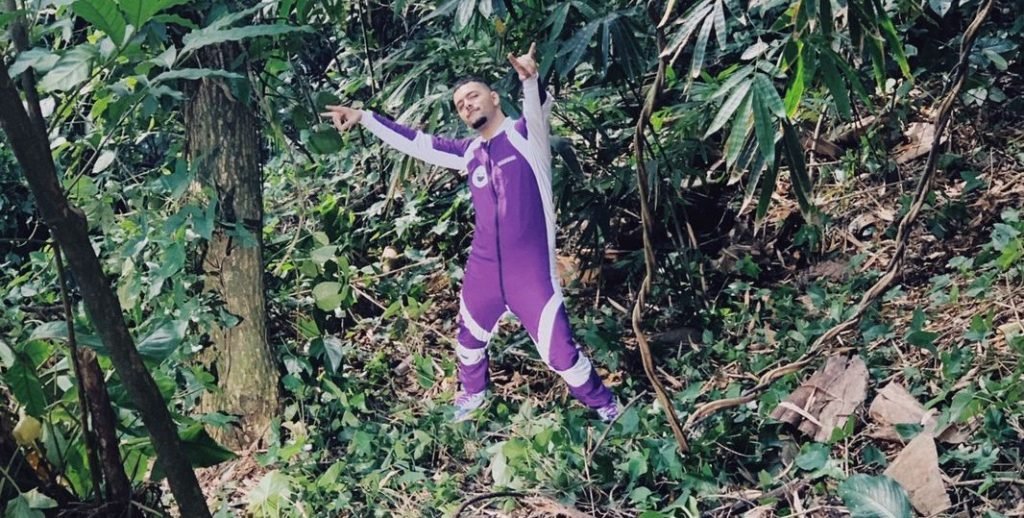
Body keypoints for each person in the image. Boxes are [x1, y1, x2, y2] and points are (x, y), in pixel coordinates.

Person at [321, 43, 619, 423]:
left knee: (560, 354)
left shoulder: (527, 137)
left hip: (530, 273)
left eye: (473, 96)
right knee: (468, 341)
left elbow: (538, 109)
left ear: (494, 98)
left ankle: (604, 404)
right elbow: (416, 143)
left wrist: (530, 80)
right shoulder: (468, 153)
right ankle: (473, 396)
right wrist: (364, 117)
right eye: (460, 104)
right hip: (483, 269)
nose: (466, 105)